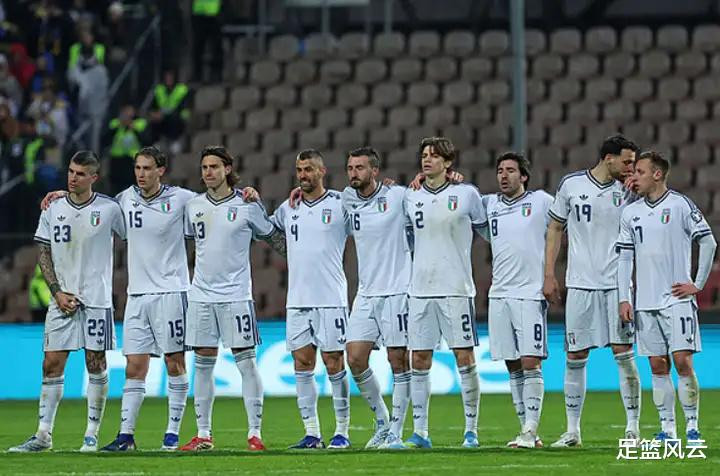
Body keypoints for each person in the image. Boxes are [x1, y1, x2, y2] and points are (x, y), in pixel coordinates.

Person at [8, 151, 125, 452]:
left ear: (94, 177)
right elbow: (43, 253)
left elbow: (136, 232)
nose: (73, 177)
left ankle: (91, 434)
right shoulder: (52, 208)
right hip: (61, 299)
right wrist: (57, 292)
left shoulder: (110, 209)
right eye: (71, 172)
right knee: (51, 364)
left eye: (80, 174)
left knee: (95, 363)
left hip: (96, 300)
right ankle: (43, 435)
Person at [181, 146, 285, 451]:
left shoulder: (247, 205)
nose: (208, 172)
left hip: (236, 296)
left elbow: (272, 237)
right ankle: (203, 434)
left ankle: (255, 433)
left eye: (214, 166)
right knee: (202, 364)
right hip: (201, 296)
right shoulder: (193, 206)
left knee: (246, 363)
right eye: (204, 167)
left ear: (228, 169)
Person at [544, 134, 642, 447]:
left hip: (617, 285)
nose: (631, 168)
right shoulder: (571, 185)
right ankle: (572, 431)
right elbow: (555, 228)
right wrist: (549, 273)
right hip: (580, 283)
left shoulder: (631, 191)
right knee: (575, 354)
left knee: (623, 353)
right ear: (608, 158)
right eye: (627, 162)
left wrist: (639, 190)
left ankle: (633, 428)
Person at [96, 146, 195, 451]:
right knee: (134, 366)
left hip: (171, 292)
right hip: (137, 295)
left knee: (174, 361)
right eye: (137, 168)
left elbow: (216, 202)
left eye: (147, 168)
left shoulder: (182, 199)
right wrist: (62, 196)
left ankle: (172, 433)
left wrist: (245, 194)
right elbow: (93, 207)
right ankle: (126, 436)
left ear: (161, 170)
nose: (141, 174)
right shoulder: (125, 199)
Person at [617, 151, 716, 442]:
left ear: (657, 174)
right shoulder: (630, 213)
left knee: (683, 361)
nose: (634, 177)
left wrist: (697, 284)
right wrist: (625, 298)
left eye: (640, 172)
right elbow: (625, 259)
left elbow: (708, 242)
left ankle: (692, 426)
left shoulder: (680, 205)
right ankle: (668, 429)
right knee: (657, 365)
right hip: (645, 302)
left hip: (677, 300)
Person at [396, 137, 486, 449]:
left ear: (448, 162)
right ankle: (420, 432)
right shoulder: (411, 196)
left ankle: (471, 431)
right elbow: (408, 236)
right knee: (419, 358)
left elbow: (485, 229)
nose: (427, 160)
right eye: (424, 155)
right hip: (420, 289)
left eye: (435, 156)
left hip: (456, 289)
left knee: (464, 356)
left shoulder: (467, 194)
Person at [271, 149, 352, 449]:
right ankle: (312, 433)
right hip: (297, 299)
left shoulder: (341, 203)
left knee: (334, 362)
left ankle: (342, 431)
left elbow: (370, 208)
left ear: (322, 171)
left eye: (308, 169)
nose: (303, 175)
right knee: (302, 363)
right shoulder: (287, 208)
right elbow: (270, 232)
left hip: (331, 297)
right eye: (299, 170)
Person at [341, 147, 412, 448]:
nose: (353, 173)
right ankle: (382, 421)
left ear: (375, 171)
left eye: (360, 167)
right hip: (366, 292)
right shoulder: (347, 199)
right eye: (350, 167)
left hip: (397, 289)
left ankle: (397, 430)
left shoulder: (399, 196)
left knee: (398, 359)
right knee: (355, 358)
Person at [481, 152, 552, 448]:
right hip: (499, 294)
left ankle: (530, 430)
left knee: (530, 361)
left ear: (523, 176)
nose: (504, 175)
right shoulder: (489, 205)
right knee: (512, 364)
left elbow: (564, 224)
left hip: (530, 294)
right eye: (500, 170)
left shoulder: (542, 202)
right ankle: (526, 429)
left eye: (510, 170)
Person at [105, 105, 148, 196]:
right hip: (117, 158)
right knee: (116, 185)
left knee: (133, 185)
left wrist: (133, 128)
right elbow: (106, 139)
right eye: (125, 112)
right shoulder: (114, 123)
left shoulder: (140, 124)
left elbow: (146, 140)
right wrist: (118, 126)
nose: (127, 115)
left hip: (133, 158)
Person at [149, 70, 190, 156]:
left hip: (178, 115)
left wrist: (165, 114)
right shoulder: (159, 89)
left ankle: (175, 142)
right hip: (162, 116)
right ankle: (157, 143)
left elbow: (183, 106)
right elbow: (153, 106)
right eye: (167, 77)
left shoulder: (181, 89)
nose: (169, 79)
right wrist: (154, 113)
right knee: (153, 120)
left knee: (174, 118)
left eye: (170, 77)